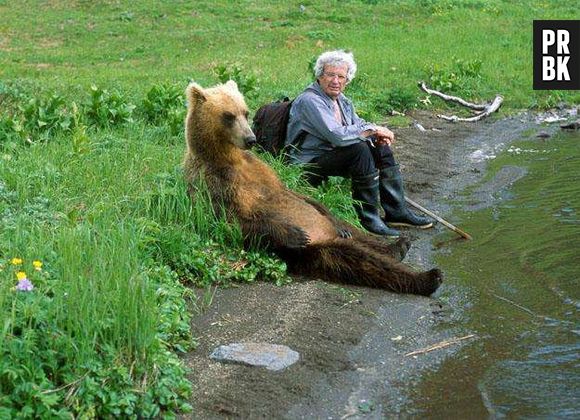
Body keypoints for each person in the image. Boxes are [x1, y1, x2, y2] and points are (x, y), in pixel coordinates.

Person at [285, 49, 433, 237]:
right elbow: (337, 136)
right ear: (320, 76)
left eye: (341, 77)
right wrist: (372, 130)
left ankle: (397, 211)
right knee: (359, 149)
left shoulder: (341, 100)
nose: (336, 81)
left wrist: (375, 131)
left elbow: (358, 125)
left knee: (379, 145)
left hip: (332, 156)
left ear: (347, 80)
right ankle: (369, 218)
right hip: (308, 164)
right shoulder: (310, 100)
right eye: (330, 75)